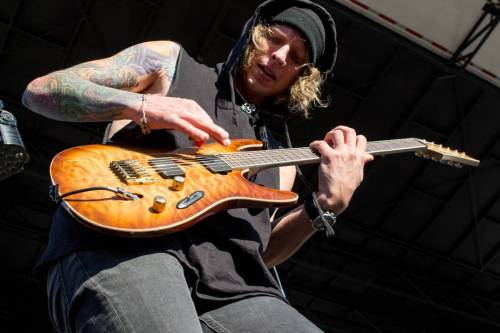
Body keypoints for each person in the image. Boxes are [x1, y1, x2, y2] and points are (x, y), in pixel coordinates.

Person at [22, 0, 372, 331]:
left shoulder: (281, 162)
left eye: (295, 57)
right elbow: (41, 91)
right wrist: (142, 104)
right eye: (274, 38)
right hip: (125, 248)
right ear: (253, 32)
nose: (279, 56)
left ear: (303, 76)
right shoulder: (168, 63)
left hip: (235, 292)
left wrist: (322, 206)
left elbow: (259, 253)